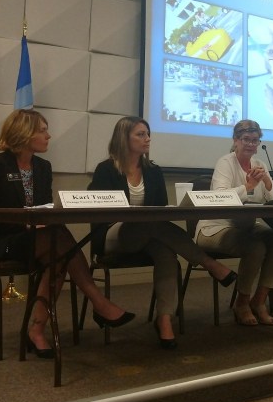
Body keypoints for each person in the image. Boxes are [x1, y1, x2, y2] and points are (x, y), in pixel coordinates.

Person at [0, 110, 134, 359]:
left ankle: (37, 331)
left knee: (57, 255)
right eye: (42, 130)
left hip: (38, 240)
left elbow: (45, 208)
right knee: (57, 241)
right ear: (24, 133)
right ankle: (98, 302)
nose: (48, 136)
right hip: (0, 241)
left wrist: (44, 222)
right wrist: (29, 226)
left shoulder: (42, 167)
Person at [90, 117, 237, 349]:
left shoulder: (153, 171)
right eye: (140, 134)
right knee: (147, 222)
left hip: (147, 234)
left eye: (148, 134)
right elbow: (96, 209)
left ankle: (164, 319)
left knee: (166, 253)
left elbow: (160, 211)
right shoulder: (106, 170)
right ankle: (208, 262)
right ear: (123, 138)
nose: (147, 139)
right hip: (113, 235)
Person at [195, 120, 273, 326]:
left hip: (246, 225)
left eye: (255, 140)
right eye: (246, 139)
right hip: (215, 227)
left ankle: (259, 301)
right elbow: (220, 198)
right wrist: (248, 186)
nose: (251, 144)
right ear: (235, 140)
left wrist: (267, 183)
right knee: (255, 247)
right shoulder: (225, 162)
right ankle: (242, 303)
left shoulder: (259, 164)